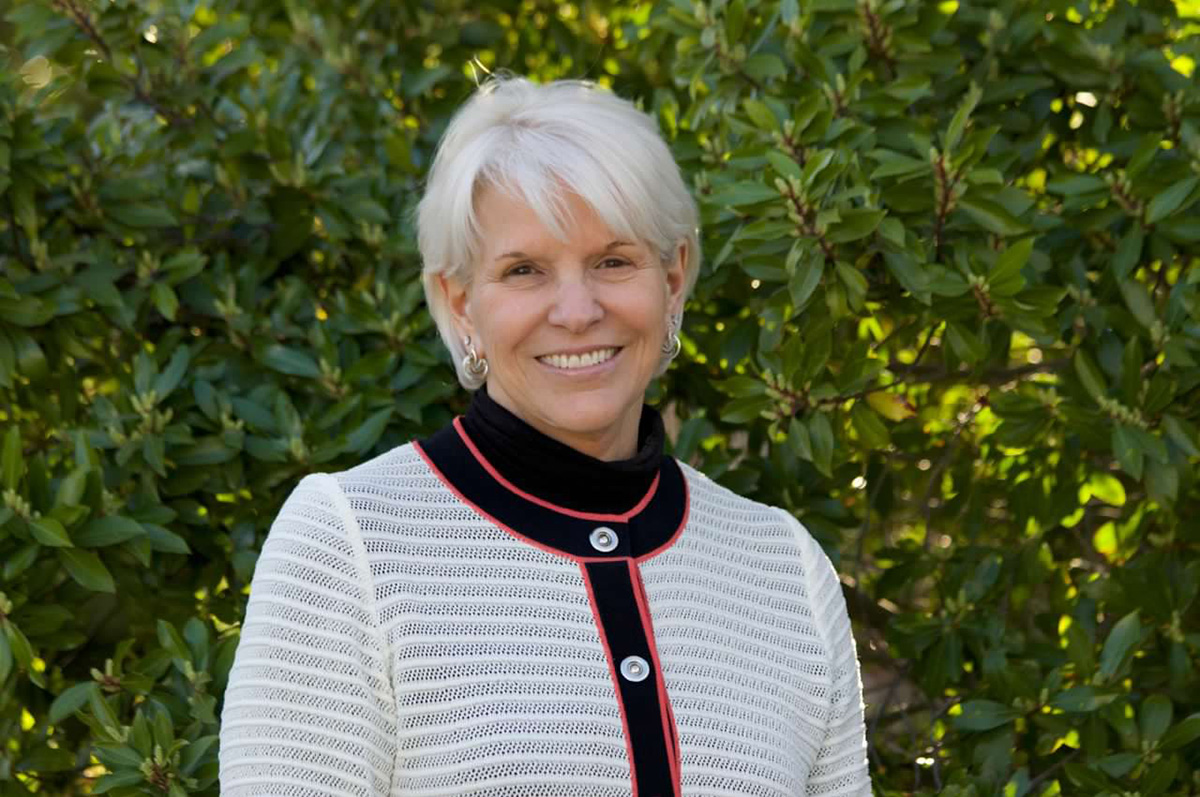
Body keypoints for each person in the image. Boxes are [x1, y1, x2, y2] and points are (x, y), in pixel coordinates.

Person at [218, 75, 872, 797]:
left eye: (612, 261)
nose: (577, 311)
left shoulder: (786, 571)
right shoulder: (349, 547)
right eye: (524, 270)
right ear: (460, 302)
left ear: (672, 278)